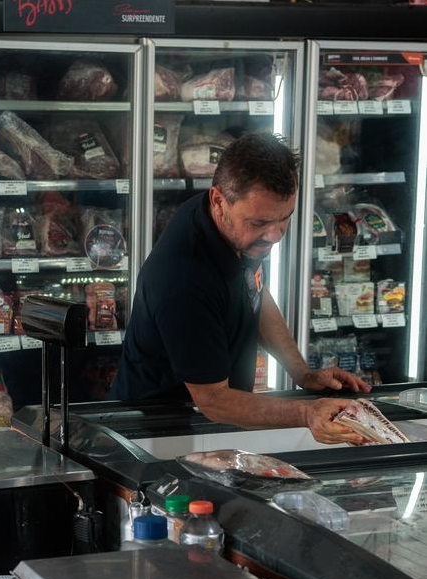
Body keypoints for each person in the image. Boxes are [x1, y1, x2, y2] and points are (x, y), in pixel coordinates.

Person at [108, 132, 372, 445]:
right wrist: (306, 413)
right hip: (155, 434)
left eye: (284, 218)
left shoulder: (235, 231)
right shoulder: (183, 277)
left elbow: (255, 293)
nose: (275, 235)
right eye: (260, 222)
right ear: (218, 201)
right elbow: (213, 400)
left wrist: (303, 374)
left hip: (208, 424)